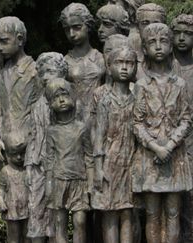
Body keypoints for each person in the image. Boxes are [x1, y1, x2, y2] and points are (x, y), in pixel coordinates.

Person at [132, 23, 192, 243]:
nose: (158, 46)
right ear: (145, 49)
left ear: (170, 46)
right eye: (152, 42)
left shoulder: (181, 84)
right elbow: (137, 124)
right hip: (150, 157)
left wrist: (170, 145)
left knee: (174, 213)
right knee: (152, 214)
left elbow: (186, 119)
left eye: (163, 41)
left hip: (175, 157)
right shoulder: (141, 85)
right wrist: (156, 147)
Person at [92, 46, 137, 243]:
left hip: (132, 161)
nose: (125, 67)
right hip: (110, 161)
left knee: (127, 210)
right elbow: (98, 136)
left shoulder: (138, 98)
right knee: (110, 211)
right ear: (109, 68)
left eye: (129, 63)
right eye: (120, 63)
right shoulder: (104, 100)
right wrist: (99, 167)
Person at [44, 78, 93, 243]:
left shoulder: (82, 127)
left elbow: (89, 156)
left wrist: (91, 183)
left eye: (64, 95)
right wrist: (48, 186)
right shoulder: (51, 131)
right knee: (60, 221)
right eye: (56, 98)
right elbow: (49, 160)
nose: (61, 100)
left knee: (80, 221)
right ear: (51, 104)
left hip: (79, 180)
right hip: (59, 181)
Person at [25, 52, 67, 243]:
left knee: (56, 212)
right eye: (42, 73)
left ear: (62, 73)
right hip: (37, 164)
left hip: (58, 166)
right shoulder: (36, 105)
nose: (45, 76)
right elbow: (33, 137)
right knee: (36, 209)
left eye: (50, 71)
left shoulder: (66, 104)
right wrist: (28, 166)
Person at [0, 16, 37, 173]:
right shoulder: (1, 75)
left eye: (4, 41)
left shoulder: (35, 72)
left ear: (19, 39)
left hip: (28, 146)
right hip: (5, 145)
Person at [59, 3, 106, 124]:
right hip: (74, 122)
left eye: (77, 27)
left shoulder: (102, 58)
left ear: (88, 25)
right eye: (66, 29)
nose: (72, 34)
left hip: (99, 119)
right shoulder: (64, 62)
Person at [170, 14, 193, 243]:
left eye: (188, 33)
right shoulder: (165, 68)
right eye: (178, 33)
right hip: (168, 142)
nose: (182, 38)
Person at [0, 132, 29, 243]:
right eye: (15, 154)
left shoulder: (27, 170)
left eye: (22, 153)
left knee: (27, 236)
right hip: (12, 209)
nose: (19, 157)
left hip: (26, 207)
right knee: (13, 236)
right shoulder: (5, 171)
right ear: (8, 155)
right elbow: (1, 189)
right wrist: (1, 201)